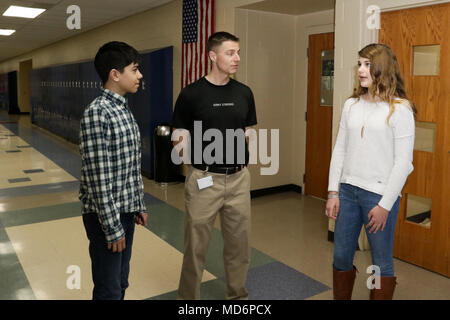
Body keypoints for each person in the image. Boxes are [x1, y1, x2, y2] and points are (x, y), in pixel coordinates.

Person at [326, 43, 416, 300]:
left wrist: (385, 204)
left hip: (378, 196)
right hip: (348, 193)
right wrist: (333, 191)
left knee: (380, 262)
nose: (360, 70)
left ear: (382, 69)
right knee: (341, 256)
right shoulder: (351, 105)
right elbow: (340, 150)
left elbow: (403, 163)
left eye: (367, 64)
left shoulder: (400, 109)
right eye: (359, 64)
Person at [172, 31, 257, 300]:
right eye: (230, 53)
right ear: (212, 56)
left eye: (238, 52)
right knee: (196, 246)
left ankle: (237, 296)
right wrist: (197, 160)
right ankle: (189, 300)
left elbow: (248, 129)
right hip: (203, 179)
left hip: (238, 180)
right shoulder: (191, 94)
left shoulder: (244, 92)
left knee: (239, 245)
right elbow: (179, 135)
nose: (237, 58)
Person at [79, 41, 148, 300]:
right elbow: (99, 179)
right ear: (115, 75)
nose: (140, 75)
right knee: (108, 289)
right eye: (135, 69)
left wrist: (138, 204)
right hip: (105, 217)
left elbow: (130, 166)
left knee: (120, 282)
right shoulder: (98, 113)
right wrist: (112, 227)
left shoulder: (122, 109)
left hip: (126, 211)